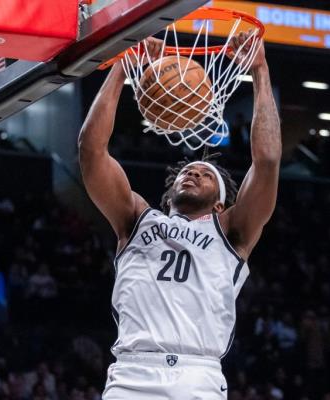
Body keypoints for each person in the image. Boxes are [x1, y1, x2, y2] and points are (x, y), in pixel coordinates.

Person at [78, 31, 281, 399]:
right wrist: (122, 67)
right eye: (190, 171)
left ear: (220, 203)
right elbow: (91, 151)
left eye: (207, 175)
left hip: (196, 375)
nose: (194, 173)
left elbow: (266, 162)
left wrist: (260, 70)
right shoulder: (136, 218)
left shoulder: (232, 231)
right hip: (131, 373)